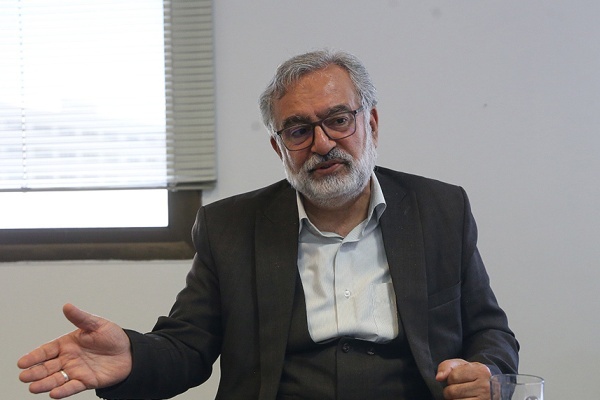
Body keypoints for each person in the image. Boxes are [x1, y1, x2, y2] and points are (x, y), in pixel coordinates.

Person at [18, 49, 519, 400]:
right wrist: (132, 355)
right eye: (298, 131)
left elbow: (489, 330)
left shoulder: (439, 209)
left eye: (338, 120)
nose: (322, 143)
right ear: (279, 148)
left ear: (370, 124)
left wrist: (489, 374)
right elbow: (188, 346)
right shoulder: (230, 227)